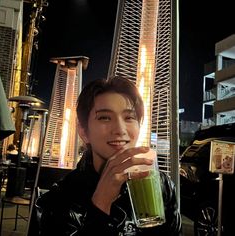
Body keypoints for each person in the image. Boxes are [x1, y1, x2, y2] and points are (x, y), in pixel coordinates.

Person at [34, 75, 182, 235]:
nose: (120, 129)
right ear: (83, 131)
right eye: (104, 118)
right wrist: (100, 204)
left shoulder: (161, 186)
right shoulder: (56, 202)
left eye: (129, 117)